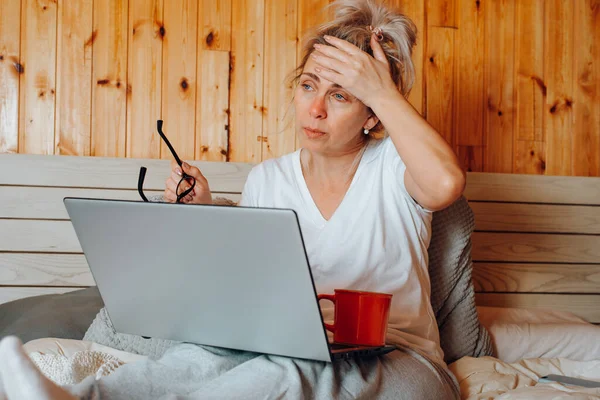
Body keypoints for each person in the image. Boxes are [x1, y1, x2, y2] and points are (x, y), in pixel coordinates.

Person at [0, 0, 463, 398]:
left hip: (403, 361)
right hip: (296, 344)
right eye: (308, 86)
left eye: (341, 95)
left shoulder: (396, 165)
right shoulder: (269, 179)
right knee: (200, 356)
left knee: (289, 373)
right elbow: (248, 292)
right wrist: (202, 216)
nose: (316, 108)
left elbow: (445, 185)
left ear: (371, 115)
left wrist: (381, 89)